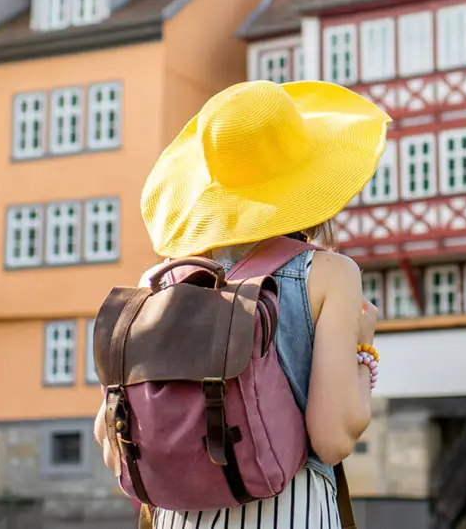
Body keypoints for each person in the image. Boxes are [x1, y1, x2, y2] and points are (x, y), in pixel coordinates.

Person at [98, 79, 387, 528]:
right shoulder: (328, 274)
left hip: (179, 518)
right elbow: (332, 438)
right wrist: (363, 355)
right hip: (289, 512)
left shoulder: (162, 284)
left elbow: (108, 436)